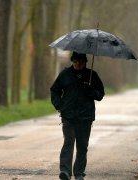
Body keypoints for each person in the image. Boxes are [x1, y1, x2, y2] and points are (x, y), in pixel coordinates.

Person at [50, 52, 105, 180]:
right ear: (72, 61)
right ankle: (65, 171)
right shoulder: (65, 75)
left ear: (85, 62)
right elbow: (54, 90)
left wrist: (91, 92)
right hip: (68, 116)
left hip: (85, 117)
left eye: (80, 61)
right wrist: (59, 105)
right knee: (68, 142)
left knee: (82, 145)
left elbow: (100, 94)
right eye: (75, 61)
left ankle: (79, 172)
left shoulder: (92, 75)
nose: (78, 64)